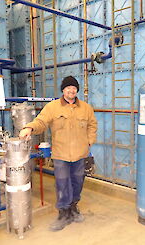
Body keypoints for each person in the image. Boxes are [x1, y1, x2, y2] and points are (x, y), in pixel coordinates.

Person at [19, 76, 97, 231]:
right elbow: (41, 121)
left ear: (77, 90)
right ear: (63, 90)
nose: (71, 90)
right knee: (62, 183)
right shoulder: (53, 107)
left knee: (77, 182)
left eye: (74, 88)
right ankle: (63, 213)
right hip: (61, 154)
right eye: (68, 88)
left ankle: (73, 208)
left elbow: (92, 125)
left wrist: (89, 141)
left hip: (80, 154)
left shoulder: (86, 108)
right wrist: (30, 128)